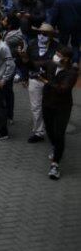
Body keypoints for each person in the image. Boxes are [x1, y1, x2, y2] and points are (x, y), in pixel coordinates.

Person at [33, 44, 78, 180]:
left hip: (62, 107)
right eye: (56, 54)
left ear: (67, 59)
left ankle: (55, 165)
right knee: (50, 130)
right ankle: (55, 146)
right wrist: (24, 58)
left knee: (59, 134)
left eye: (59, 55)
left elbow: (63, 89)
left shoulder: (72, 72)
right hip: (48, 104)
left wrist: (45, 81)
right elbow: (35, 64)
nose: (56, 57)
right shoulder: (51, 64)